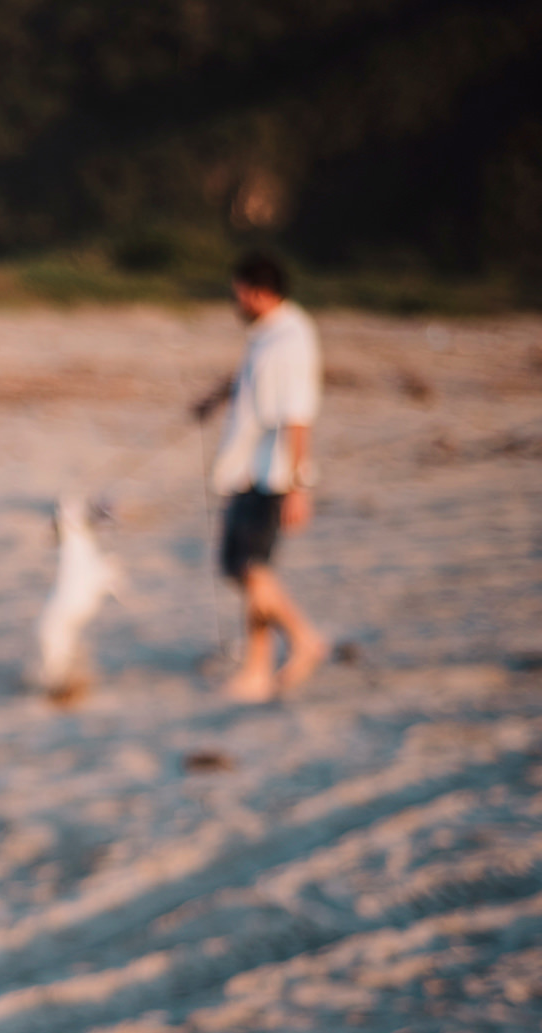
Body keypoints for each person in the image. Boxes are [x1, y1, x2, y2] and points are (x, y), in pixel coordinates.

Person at [198, 251, 327, 702]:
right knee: (240, 569)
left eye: (238, 294)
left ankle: (263, 665)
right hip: (246, 470)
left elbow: (298, 417)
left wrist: (298, 487)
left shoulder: (292, 340)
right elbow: (250, 379)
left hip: (272, 474)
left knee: (254, 571)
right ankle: (300, 641)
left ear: (257, 293)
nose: (236, 303)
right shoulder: (267, 334)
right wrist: (216, 398)